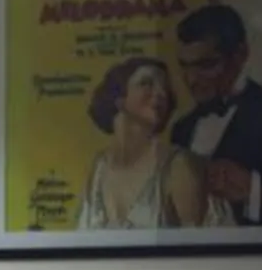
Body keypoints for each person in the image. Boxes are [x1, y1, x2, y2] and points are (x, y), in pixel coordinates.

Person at [78, 57, 216, 229]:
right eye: (146, 83)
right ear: (119, 99)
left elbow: (198, 240)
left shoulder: (178, 165)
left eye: (164, 88)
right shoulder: (99, 168)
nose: (161, 93)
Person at [172, 4, 262, 224]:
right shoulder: (181, 129)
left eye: (206, 65)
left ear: (240, 55)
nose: (191, 80)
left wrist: (251, 189)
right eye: (184, 66)